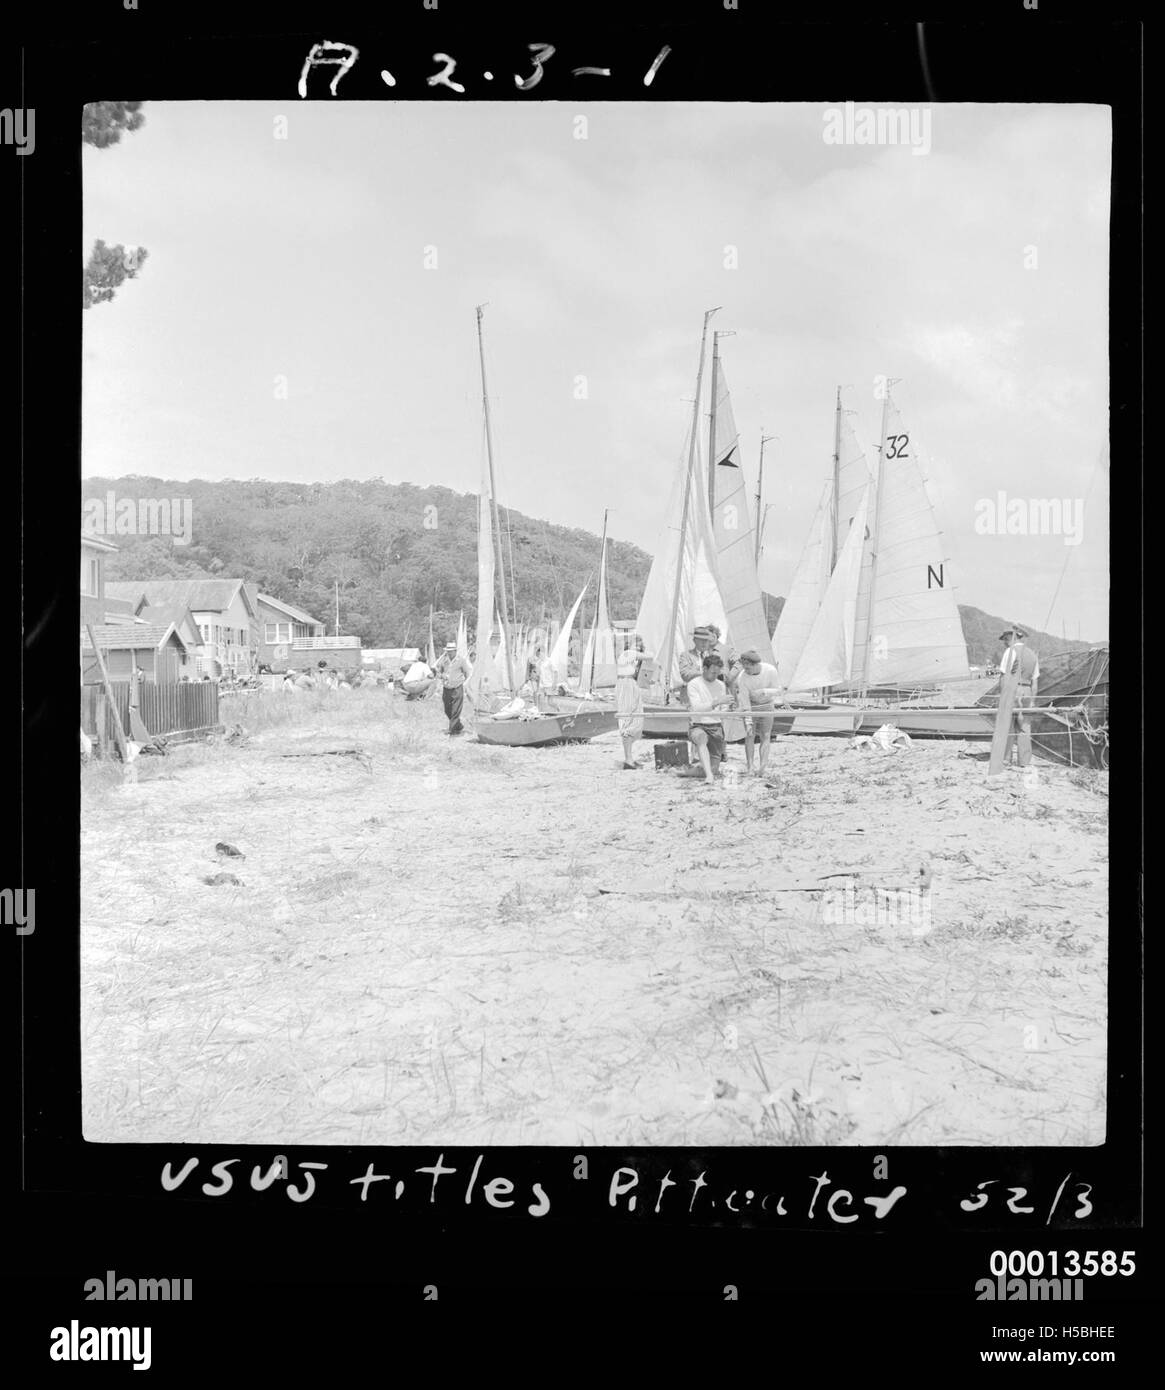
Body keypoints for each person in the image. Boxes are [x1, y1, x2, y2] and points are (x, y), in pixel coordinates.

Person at [686, 652, 734, 784]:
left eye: (717, 673)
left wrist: (728, 708)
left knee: (714, 768)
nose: (715, 676)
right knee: (701, 738)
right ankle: (709, 776)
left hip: (716, 726)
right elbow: (696, 708)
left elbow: (722, 710)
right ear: (704, 669)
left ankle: (684, 772)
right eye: (713, 672)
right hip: (698, 725)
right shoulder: (693, 684)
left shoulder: (721, 685)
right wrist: (717, 702)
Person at [735, 648, 784, 775]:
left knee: (766, 735)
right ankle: (750, 767)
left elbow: (779, 690)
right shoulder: (742, 677)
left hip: (767, 705)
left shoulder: (770, 670)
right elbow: (744, 701)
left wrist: (763, 691)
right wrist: (748, 720)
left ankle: (762, 767)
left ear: (756, 665)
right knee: (749, 735)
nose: (746, 670)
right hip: (751, 706)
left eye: (748, 668)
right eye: (744, 667)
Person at [998, 625, 1039, 767]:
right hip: (1027, 691)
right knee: (1024, 727)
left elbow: (1004, 677)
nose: (1004, 642)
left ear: (1013, 637)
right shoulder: (1033, 655)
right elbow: (1035, 683)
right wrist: (1032, 701)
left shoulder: (1009, 652)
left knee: (1007, 725)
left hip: (1012, 690)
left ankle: (1006, 759)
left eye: (1005, 639)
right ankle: (1024, 762)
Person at [676, 624, 740, 702]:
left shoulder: (715, 655)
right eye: (700, 640)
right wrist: (707, 673)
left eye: (706, 640)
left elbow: (726, 671)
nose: (704, 642)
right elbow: (685, 674)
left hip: (711, 697)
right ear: (694, 640)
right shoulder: (686, 655)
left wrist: (729, 676)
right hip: (692, 698)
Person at [615, 636, 650, 769]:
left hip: (632, 685)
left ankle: (630, 757)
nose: (638, 649)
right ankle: (628, 759)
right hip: (625, 685)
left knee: (636, 720)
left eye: (639, 647)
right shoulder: (626, 654)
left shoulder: (632, 662)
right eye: (636, 646)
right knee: (627, 720)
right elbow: (649, 656)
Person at [435, 641, 472, 734]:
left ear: (455, 651)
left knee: (456, 710)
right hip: (446, 687)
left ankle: (452, 730)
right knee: (447, 709)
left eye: (451, 651)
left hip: (457, 687)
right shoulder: (443, 661)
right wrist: (441, 675)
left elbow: (467, 673)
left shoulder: (461, 660)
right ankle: (458, 726)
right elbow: (438, 672)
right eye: (448, 651)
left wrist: (466, 685)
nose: (449, 652)